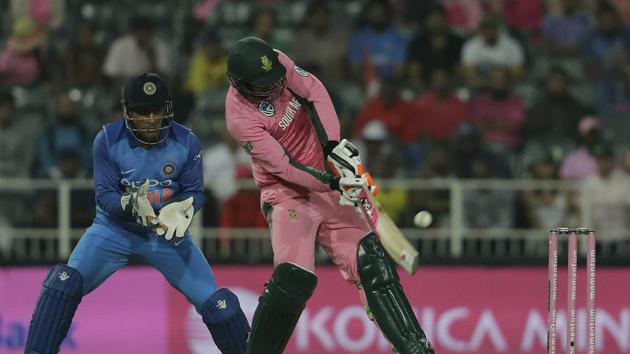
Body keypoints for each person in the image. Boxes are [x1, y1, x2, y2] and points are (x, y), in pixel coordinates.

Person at [225, 36, 434, 354]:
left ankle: (415, 349)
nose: (272, 88)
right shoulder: (240, 118)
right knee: (293, 278)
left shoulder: (277, 60)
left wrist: (332, 146)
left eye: (273, 81)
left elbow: (314, 92)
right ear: (238, 84)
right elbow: (285, 167)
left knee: (371, 261)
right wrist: (333, 183)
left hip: (327, 182)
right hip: (288, 196)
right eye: (261, 86)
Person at [24, 73, 249, 354]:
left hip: (164, 234)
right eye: (142, 112)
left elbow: (196, 191)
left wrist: (183, 209)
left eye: (157, 110)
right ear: (127, 112)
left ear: (168, 109)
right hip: (114, 230)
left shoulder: (187, 142)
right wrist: (129, 206)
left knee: (218, 305)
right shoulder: (106, 139)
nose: (151, 119)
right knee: (63, 284)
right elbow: (105, 196)